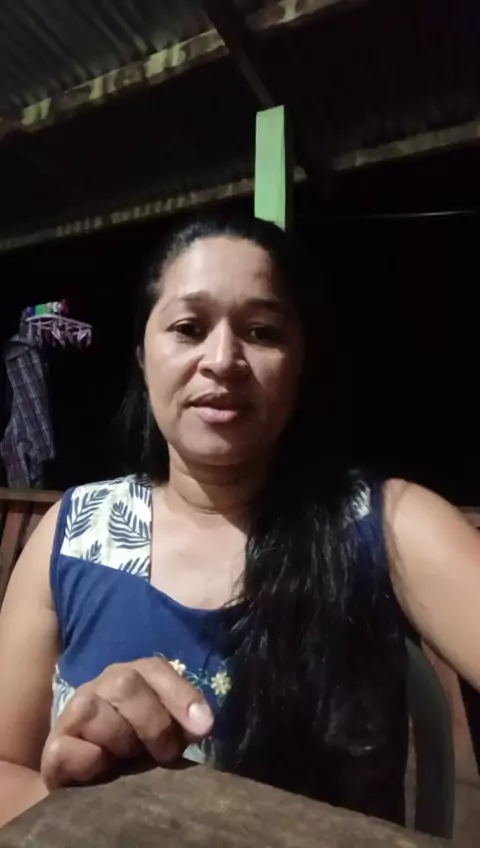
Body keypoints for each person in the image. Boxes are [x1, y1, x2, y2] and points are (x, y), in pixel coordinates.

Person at [0, 215, 479, 828]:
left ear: (300, 365)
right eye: (188, 328)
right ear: (143, 359)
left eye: (261, 332)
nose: (222, 360)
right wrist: (84, 808)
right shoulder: (75, 531)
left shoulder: (384, 524)